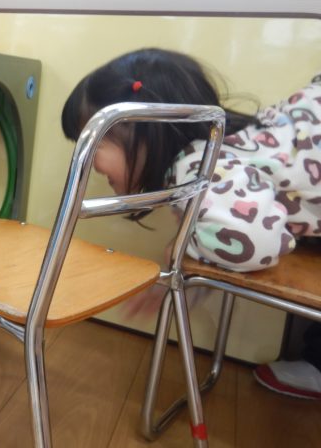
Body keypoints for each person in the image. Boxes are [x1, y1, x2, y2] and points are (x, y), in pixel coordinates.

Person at [61, 47, 321, 400]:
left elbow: (255, 243)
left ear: (141, 130)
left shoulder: (197, 165)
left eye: (93, 145)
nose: (88, 162)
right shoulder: (215, 152)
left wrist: (184, 248)